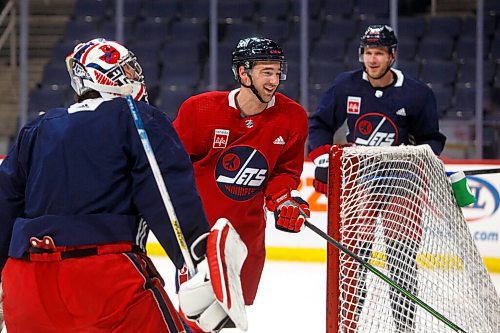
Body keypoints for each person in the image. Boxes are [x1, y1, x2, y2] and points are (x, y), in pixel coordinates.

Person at [0, 38, 246, 333]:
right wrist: (196, 257)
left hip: (27, 287)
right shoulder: (137, 117)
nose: (135, 76)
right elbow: (165, 189)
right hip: (104, 279)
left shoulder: (36, 128)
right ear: (104, 74)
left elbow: (5, 205)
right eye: (127, 69)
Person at [308, 25, 447, 332]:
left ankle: (404, 327)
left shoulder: (417, 93)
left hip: (402, 180)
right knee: (353, 262)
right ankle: (348, 326)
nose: (372, 60)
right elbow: (318, 124)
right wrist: (321, 158)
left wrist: (425, 157)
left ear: (392, 56)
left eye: (379, 53)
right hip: (361, 177)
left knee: (401, 263)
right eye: (368, 53)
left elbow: (432, 139)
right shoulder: (346, 85)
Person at [173, 37, 310, 332]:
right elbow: (173, 167)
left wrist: (284, 200)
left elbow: (283, 173)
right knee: (194, 319)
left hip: (246, 240)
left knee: (228, 319)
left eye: (278, 72)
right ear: (243, 73)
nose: (274, 81)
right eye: (266, 72)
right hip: (200, 237)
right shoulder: (199, 110)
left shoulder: (293, 117)